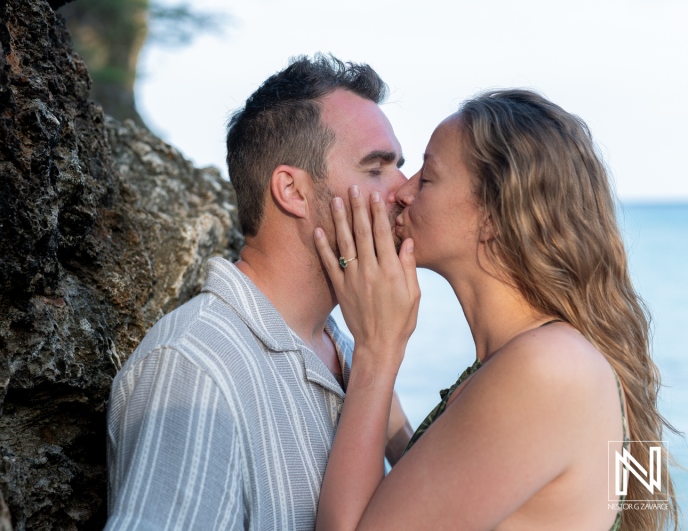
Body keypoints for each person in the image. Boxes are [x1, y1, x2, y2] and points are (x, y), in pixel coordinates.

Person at [313, 89, 679, 530]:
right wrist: (390, 420)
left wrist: (377, 350)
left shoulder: (546, 369)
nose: (401, 193)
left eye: (426, 178)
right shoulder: (543, 357)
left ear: (493, 215)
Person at [104, 54, 414, 530]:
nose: (405, 191)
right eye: (376, 169)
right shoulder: (196, 368)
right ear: (292, 191)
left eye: (400, 167)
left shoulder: (347, 351)